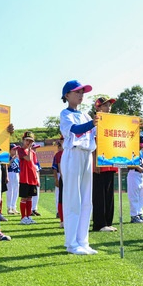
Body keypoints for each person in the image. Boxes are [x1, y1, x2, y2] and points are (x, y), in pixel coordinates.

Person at [59, 80, 98, 255]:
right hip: (72, 154)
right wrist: (94, 123)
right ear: (67, 95)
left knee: (86, 199)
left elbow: (98, 132)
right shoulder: (65, 114)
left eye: (82, 92)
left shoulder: (87, 115)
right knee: (73, 198)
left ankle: (83, 240)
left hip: (87, 154)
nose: (81, 95)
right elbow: (74, 130)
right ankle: (72, 243)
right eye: (77, 92)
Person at [91, 96, 118, 232]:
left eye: (109, 105)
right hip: (99, 163)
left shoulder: (111, 123)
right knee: (99, 194)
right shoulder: (96, 124)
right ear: (98, 107)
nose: (108, 108)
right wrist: (95, 162)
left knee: (109, 194)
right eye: (105, 105)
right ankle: (99, 224)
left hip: (110, 163)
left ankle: (108, 222)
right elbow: (93, 144)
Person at [11, 131, 39, 225]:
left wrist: (36, 177)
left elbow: (34, 165)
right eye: (27, 140)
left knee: (30, 197)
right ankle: (23, 217)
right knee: (24, 198)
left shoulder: (33, 153)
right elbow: (28, 159)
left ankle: (28, 216)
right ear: (23, 140)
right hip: (24, 177)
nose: (28, 143)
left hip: (32, 177)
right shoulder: (20, 150)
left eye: (30, 141)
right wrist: (30, 149)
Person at [127, 135, 143, 224]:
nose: (141, 146)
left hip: (141, 175)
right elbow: (128, 164)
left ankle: (140, 214)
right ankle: (134, 216)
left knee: (141, 196)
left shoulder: (141, 152)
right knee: (134, 196)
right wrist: (138, 167)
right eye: (140, 144)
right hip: (133, 173)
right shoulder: (131, 151)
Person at [6, 145, 19, 215]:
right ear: (10, 150)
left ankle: (14, 207)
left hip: (16, 173)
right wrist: (12, 159)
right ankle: (9, 207)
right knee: (10, 191)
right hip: (10, 173)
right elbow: (7, 166)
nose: (15, 151)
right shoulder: (8, 157)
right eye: (14, 149)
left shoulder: (17, 159)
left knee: (16, 191)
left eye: (16, 149)